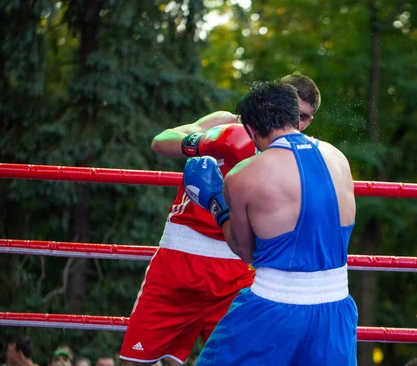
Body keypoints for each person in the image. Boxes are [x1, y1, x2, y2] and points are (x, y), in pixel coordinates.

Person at [119, 74, 321, 366]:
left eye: (306, 118)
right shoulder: (228, 122)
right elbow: (161, 141)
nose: (298, 123)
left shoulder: (298, 155)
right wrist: (206, 142)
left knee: (241, 360)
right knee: (135, 361)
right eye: (294, 112)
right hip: (180, 257)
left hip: (238, 268)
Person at [183, 81, 357, 365]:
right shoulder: (338, 158)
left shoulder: (244, 175)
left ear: (250, 129)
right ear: (295, 116)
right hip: (336, 307)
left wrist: (215, 201)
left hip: (274, 306)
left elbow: (245, 251)